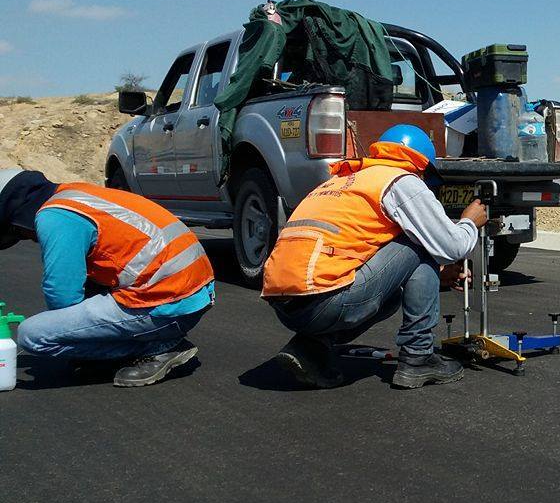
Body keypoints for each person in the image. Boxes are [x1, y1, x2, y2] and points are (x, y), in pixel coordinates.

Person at [261, 124, 486, 389]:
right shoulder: (401, 180)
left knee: (391, 296)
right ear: (421, 164)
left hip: (288, 306)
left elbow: (362, 252)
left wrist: (436, 274)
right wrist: (469, 222)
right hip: (327, 300)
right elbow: (452, 247)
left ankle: (310, 346)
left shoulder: (345, 180)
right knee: (420, 242)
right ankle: (418, 356)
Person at [0, 169, 215, 387]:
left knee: (33, 335)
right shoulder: (76, 194)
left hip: (167, 302)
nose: (29, 238)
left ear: (16, 217)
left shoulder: (54, 216)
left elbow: (61, 295)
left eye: (18, 233)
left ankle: (158, 348)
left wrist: (77, 342)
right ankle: (151, 341)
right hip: (194, 291)